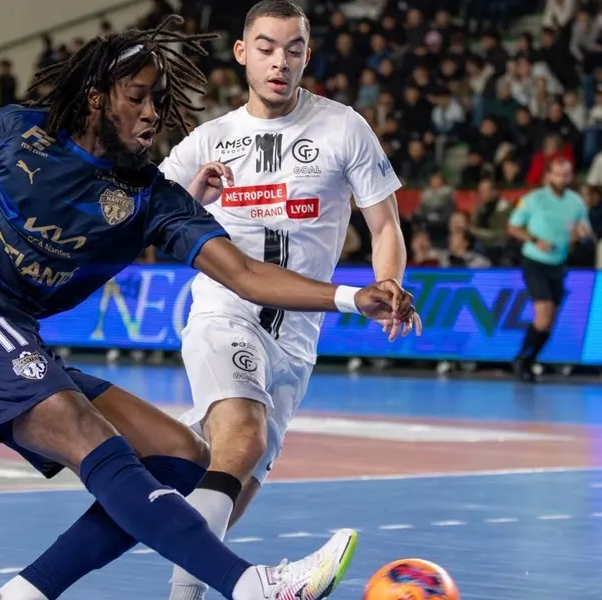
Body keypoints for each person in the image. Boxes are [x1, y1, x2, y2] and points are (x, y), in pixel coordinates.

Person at [0, 16, 416, 600]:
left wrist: (351, 296)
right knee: (86, 429)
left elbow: (243, 274)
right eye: (137, 97)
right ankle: (251, 586)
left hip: (13, 338)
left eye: (158, 100)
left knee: (181, 456)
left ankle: (20, 595)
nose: (152, 113)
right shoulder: (3, 132)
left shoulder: (150, 199)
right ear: (96, 97)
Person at [158, 2, 419, 598]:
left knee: (237, 474)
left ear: (307, 55)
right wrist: (191, 195)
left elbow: (384, 226)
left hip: (298, 335)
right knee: (243, 438)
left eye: (293, 49)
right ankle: (194, 591)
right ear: (241, 53)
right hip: (225, 311)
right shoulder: (210, 139)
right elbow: (147, 216)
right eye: (267, 48)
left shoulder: (344, 127)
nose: (280, 61)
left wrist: (390, 282)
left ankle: (147, 492)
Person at [507, 157, 591, 382]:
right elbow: (513, 226)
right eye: (558, 174)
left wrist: (580, 235)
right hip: (535, 261)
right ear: (548, 176)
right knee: (543, 315)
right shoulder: (533, 199)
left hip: (558, 263)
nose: (562, 179)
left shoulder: (576, 202)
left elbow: (585, 231)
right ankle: (521, 359)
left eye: (566, 175)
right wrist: (536, 240)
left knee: (550, 321)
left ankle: (530, 359)